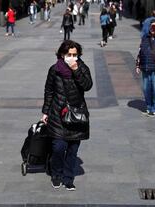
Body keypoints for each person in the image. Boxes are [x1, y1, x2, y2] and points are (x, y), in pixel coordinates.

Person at [41, 40, 92, 191]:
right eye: (68, 54)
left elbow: (87, 86)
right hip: (57, 114)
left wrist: (76, 69)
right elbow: (49, 91)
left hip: (76, 115)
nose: (71, 57)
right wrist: (45, 111)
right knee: (58, 147)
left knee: (72, 150)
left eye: (74, 55)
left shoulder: (82, 68)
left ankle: (68, 178)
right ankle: (56, 174)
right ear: (62, 54)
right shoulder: (54, 69)